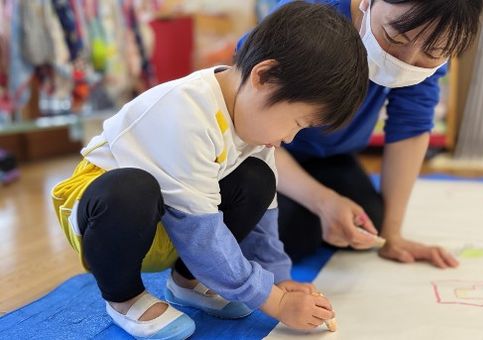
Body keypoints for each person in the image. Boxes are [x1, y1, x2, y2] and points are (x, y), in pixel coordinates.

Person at [51, 2, 369, 339]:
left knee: (258, 180)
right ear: (264, 76)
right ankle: (124, 298)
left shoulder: (253, 120)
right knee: (131, 190)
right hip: (102, 214)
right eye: (297, 123)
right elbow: (201, 236)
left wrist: (280, 278)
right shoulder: (188, 112)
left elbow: (264, 218)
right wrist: (274, 302)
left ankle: (187, 283)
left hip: (168, 222)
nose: (290, 137)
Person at [248, 0, 483, 266]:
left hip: (331, 154)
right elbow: (250, 123)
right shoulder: (305, 20)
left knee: (370, 224)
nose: (406, 61)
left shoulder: (434, 33)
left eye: (432, 52)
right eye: (395, 37)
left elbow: (411, 125)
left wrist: (393, 235)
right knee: (288, 232)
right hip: (259, 149)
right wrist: (323, 201)